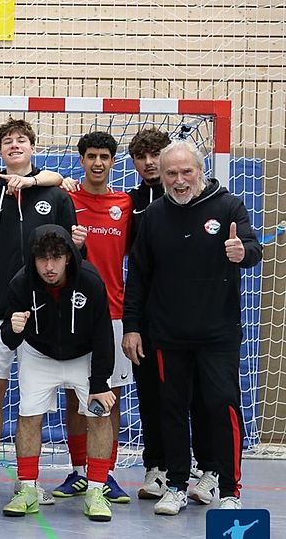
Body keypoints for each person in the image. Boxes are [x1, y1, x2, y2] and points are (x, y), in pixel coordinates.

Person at [123, 140, 261, 514]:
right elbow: (138, 276)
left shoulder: (228, 206)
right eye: (172, 173)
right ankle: (176, 486)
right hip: (167, 334)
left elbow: (253, 249)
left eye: (186, 172)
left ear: (200, 171)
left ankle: (230, 491)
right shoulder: (153, 215)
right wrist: (132, 326)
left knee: (222, 405)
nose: (179, 180)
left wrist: (242, 253)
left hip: (218, 333)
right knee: (170, 409)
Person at [0, 118, 78, 505]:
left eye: (21, 140)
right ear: (0, 150)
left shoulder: (56, 196)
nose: (15, 145)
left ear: (32, 147)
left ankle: (29, 480)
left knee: (34, 400)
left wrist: (79, 248)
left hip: (43, 313)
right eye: (7, 141)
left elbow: (73, 258)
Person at [0, 225, 116, 522]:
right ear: (33, 259)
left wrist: (99, 383)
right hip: (39, 354)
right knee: (28, 417)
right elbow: (8, 338)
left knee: (99, 416)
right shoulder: (20, 284)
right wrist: (13, 328)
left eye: (56, 258)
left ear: (68, 257)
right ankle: (27, 489)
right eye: (42, 259)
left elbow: (104, 334)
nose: (49, 267)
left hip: (84, 356)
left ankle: (96, 491)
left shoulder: (90, 281)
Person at [126, 128, 215, 501]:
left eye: (155, 155)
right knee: (154, 397)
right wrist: (133, 323)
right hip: (150, 318)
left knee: (203, 396)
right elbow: (137, 270)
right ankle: (158, 468)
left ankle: (207, 469)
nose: (149, 162)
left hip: (196, 319)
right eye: (141, 157)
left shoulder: (203, 202)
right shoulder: (128, 203)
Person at [53, 132, 133, 503]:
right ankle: (79, 471)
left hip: (114, 313)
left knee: (109, 396)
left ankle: (107, 473)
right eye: (91, 156)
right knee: (75, 397)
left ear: (113, 161)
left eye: (104, 157)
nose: (97, 163)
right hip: (73, 313)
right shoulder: (66, 198)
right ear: (81, 160)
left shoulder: (125, 204)